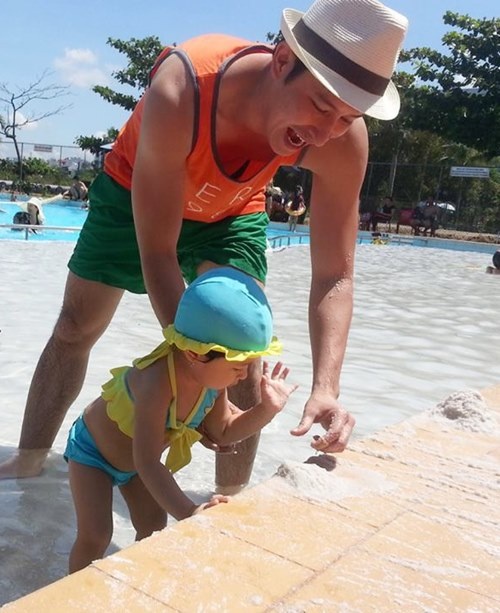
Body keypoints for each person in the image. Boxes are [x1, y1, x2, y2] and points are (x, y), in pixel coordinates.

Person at [0, 0, 408, 490]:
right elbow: (158, 252)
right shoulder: (184, 87)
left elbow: (335, 274)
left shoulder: (343, 141)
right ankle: (29, 463)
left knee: (244, 351)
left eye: (347, 117)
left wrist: (326, 386)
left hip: (232, 208)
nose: (324, 135)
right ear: (282, 61)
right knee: (75, 326)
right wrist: (196, 366)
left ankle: (228, 498)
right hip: (132, 194)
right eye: (321, 106)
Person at [66, 267, 296, 572]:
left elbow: (224, 431)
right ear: (196, 354)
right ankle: (72, 592)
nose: (244, 375)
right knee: (96, 536)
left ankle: (138, 581)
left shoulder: (211, 383)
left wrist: (267, 409)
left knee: (154, 526)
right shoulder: (157, 383)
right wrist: (190, 511)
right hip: (93, 455)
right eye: (238, 365)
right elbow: (148, 461)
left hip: (135, 464)